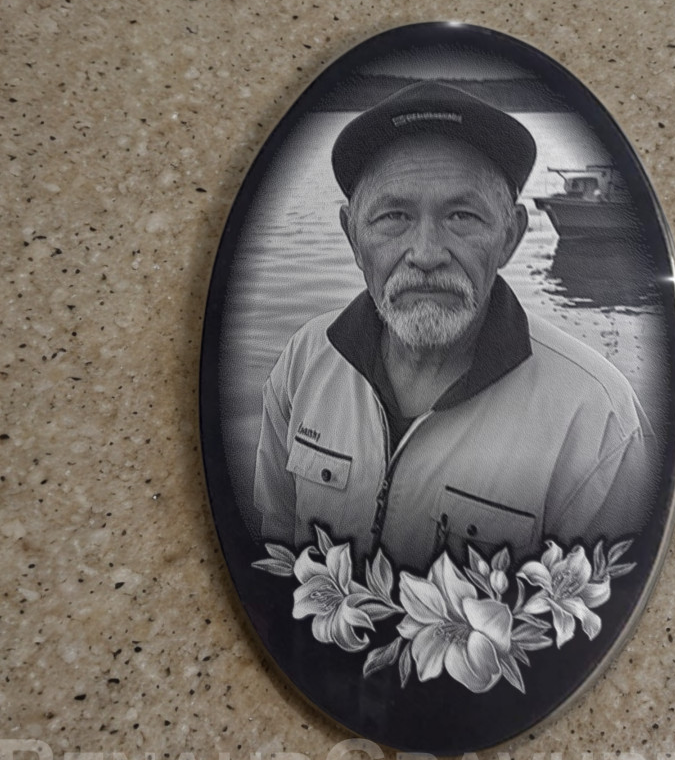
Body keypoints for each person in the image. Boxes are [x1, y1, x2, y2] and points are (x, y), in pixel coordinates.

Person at [253, 81, 654, 573]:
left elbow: (601, 619)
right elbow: (272, 556)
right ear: (352, 236)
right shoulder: (304, 361)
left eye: (462, 216)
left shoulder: (594, 418)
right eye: (393, 216)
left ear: (510, 237)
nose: (425, 254)